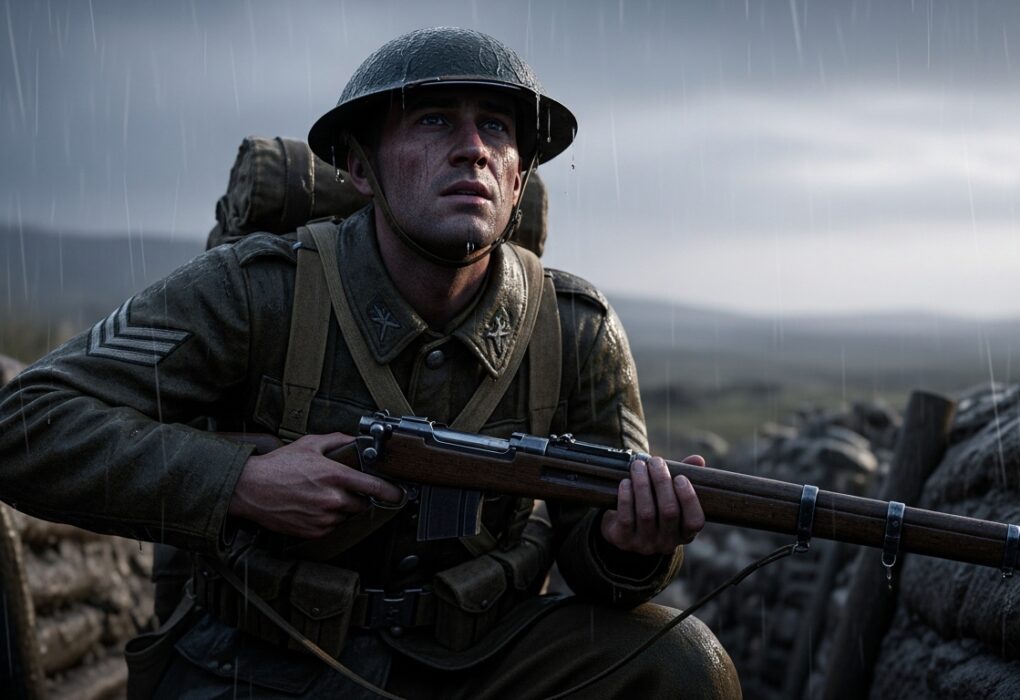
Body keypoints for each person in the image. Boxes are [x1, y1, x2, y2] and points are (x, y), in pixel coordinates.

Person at [0, 28, 740, 698]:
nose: (472, 147)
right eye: (433, 120)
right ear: (359, 167)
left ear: (518, 179)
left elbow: (598, 560)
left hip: (479, 659)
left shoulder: (575, 330)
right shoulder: (257, 292)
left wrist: (627, 546)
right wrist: (240, 482)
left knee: (683, 664)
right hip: (259, 658)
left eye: (496, 127)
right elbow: (27, 424)